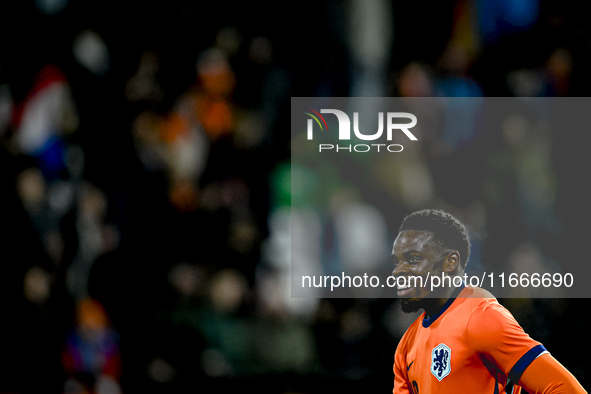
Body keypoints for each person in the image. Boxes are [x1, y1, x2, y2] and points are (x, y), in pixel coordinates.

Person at [391, 209, 586, 394]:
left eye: (413, 259)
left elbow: (564, 388)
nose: (398, 270)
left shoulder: (481, 317)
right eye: (397, 261)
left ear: (450, 263)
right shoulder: (406, 346)